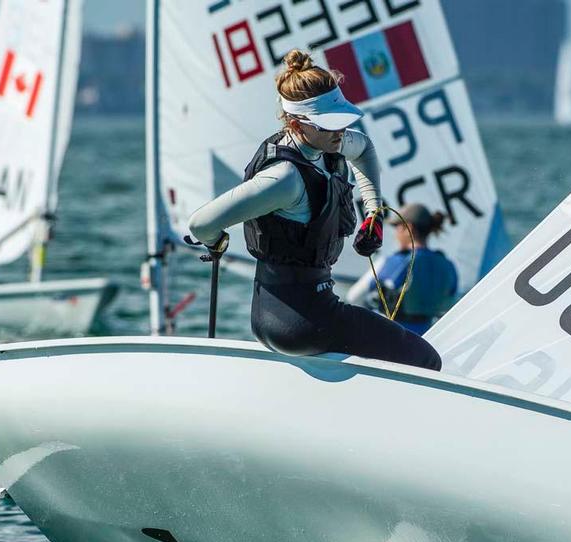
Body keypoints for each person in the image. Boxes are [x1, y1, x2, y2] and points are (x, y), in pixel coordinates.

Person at [187, 50, 441, 371]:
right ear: (296, 123)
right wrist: (215, 240)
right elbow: (200, 224)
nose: (339, 132)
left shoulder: (326, 145)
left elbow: (363, 148)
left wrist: (373, 211)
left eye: (341, 121)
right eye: (329, 125)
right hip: (299, 323)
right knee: (426, 360)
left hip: (303, 314)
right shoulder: (283, 179)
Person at [366, 204, 458, 335]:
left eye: (397, 227)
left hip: (397, 337)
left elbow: (370, 292)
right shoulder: (447, 265)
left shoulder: (400, 261)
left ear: (408, 228)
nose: (395, 234)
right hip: (431, 338)